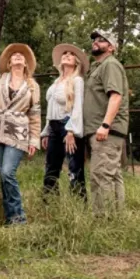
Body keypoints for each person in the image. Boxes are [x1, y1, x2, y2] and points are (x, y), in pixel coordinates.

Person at [0, 43, 41, 225]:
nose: (18, 56)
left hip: (19, 133)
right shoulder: (0, 79)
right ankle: (9, 218)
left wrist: (34, 140)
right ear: (9, 62)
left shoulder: (32, 85)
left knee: (7, 173)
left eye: (22, 55)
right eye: (14, 55)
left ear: (26, 64)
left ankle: (19, 217)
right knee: (2, 175)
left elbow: (35, 115)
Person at [83, 29, 130, 214]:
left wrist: (105, 125)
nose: (96, 42)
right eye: (95, 39)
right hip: (101, 130)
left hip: (105, 131)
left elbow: (116, 97)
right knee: (111, 175)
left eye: (102, 40)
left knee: (100, 175)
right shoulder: (98, 67)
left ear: (110, 47)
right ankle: (117, 219)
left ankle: (103, 221)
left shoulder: (110, 65)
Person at [41, 43, 89, 199]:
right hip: (54, 126)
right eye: (65, 53)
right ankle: (50, 202)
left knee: (74, 167)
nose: (67, 55)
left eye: (71, 54)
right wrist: (47, 130)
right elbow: (51, 108)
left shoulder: (77, 81)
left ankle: (78, 205)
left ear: (76, 62)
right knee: (51, 167)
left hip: (68, 125)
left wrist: (71, 131)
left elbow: (78, 106)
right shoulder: (56, 82)